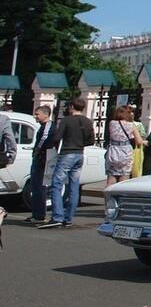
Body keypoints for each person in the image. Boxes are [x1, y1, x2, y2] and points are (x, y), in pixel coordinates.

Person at [42, 97, 94, 228]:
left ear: (71, 107)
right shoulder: (88, 121)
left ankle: (57, 216)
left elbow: (57, 137)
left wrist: (57, 146)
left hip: (67, 153)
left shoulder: (66, 120)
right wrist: (80, 143)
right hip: (80, 154)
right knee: (74, 185)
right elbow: (91, 140)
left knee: (56, 184)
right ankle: (68, 217)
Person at [28, 104, 56, 222]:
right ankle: (37, 214)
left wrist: (37, 150)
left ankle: (39, 215)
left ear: (45, 115)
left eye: (37, 114)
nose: (35, 116)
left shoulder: (48, 126)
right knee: (36, 186)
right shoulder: (44, 126)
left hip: (44, 158)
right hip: (45, 157)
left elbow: (44, 139)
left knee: (40, 186)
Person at [104, 104, 143, 187]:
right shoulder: (131, 125)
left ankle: (109, 198)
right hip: (125, 152)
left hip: (113, 151)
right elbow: (139, 141)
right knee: (124, 178)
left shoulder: (112, 123)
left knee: (111, 179)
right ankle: (120, 198)